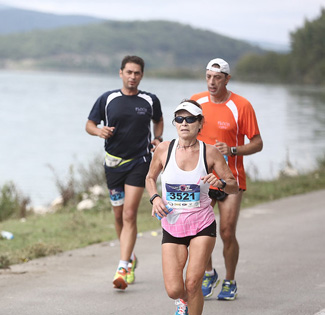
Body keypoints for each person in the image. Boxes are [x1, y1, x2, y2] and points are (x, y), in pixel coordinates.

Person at [146, 100, 238, 315]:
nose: (184, 123)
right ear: (175, 123)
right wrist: (155, 198)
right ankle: (183, 301)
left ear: (200, 124)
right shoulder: (163, 149)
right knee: (174, 289)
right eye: (179, 119)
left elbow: (234, 186)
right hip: (172, 225)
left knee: (193, 283)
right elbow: (150, 178)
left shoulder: (211, 153)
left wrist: (221, 183)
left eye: (190, 119)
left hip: (202, 225)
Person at [86, 55, 164, 290]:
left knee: (129, 214)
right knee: (119, 217)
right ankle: (129, 256)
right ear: (121, 73)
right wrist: (99, 131)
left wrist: (158, 138)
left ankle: (122, 266)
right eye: (129, 72)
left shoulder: (149, 100)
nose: (133, 77)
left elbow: (158, 121)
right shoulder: (108, 98)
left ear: (142, 75)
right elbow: (89, 124)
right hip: (113, 166)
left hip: (139, 162)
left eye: (137, 73)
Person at [191, 58, 263, 300]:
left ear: (227, 79)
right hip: (203, 178)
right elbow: (184, 132)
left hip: (231, 179)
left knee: (227, 232)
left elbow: (257, 143)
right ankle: (209, 273)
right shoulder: (196, 102)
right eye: (209, 76)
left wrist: (232, 150)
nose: (212, 82)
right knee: (200, 230)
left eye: (217, 77)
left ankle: (230, 280)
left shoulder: (241, 106)